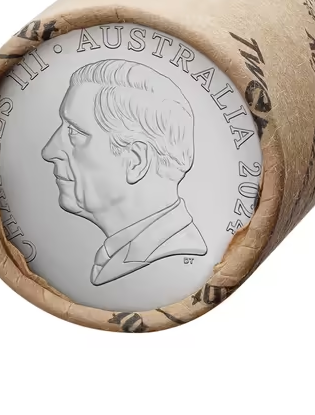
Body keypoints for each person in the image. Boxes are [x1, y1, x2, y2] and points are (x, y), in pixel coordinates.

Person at [42, 58, 207, 286]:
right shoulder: (126, 251)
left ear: (136, 161)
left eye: (75, 132)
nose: (49, 151)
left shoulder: (174, 256)